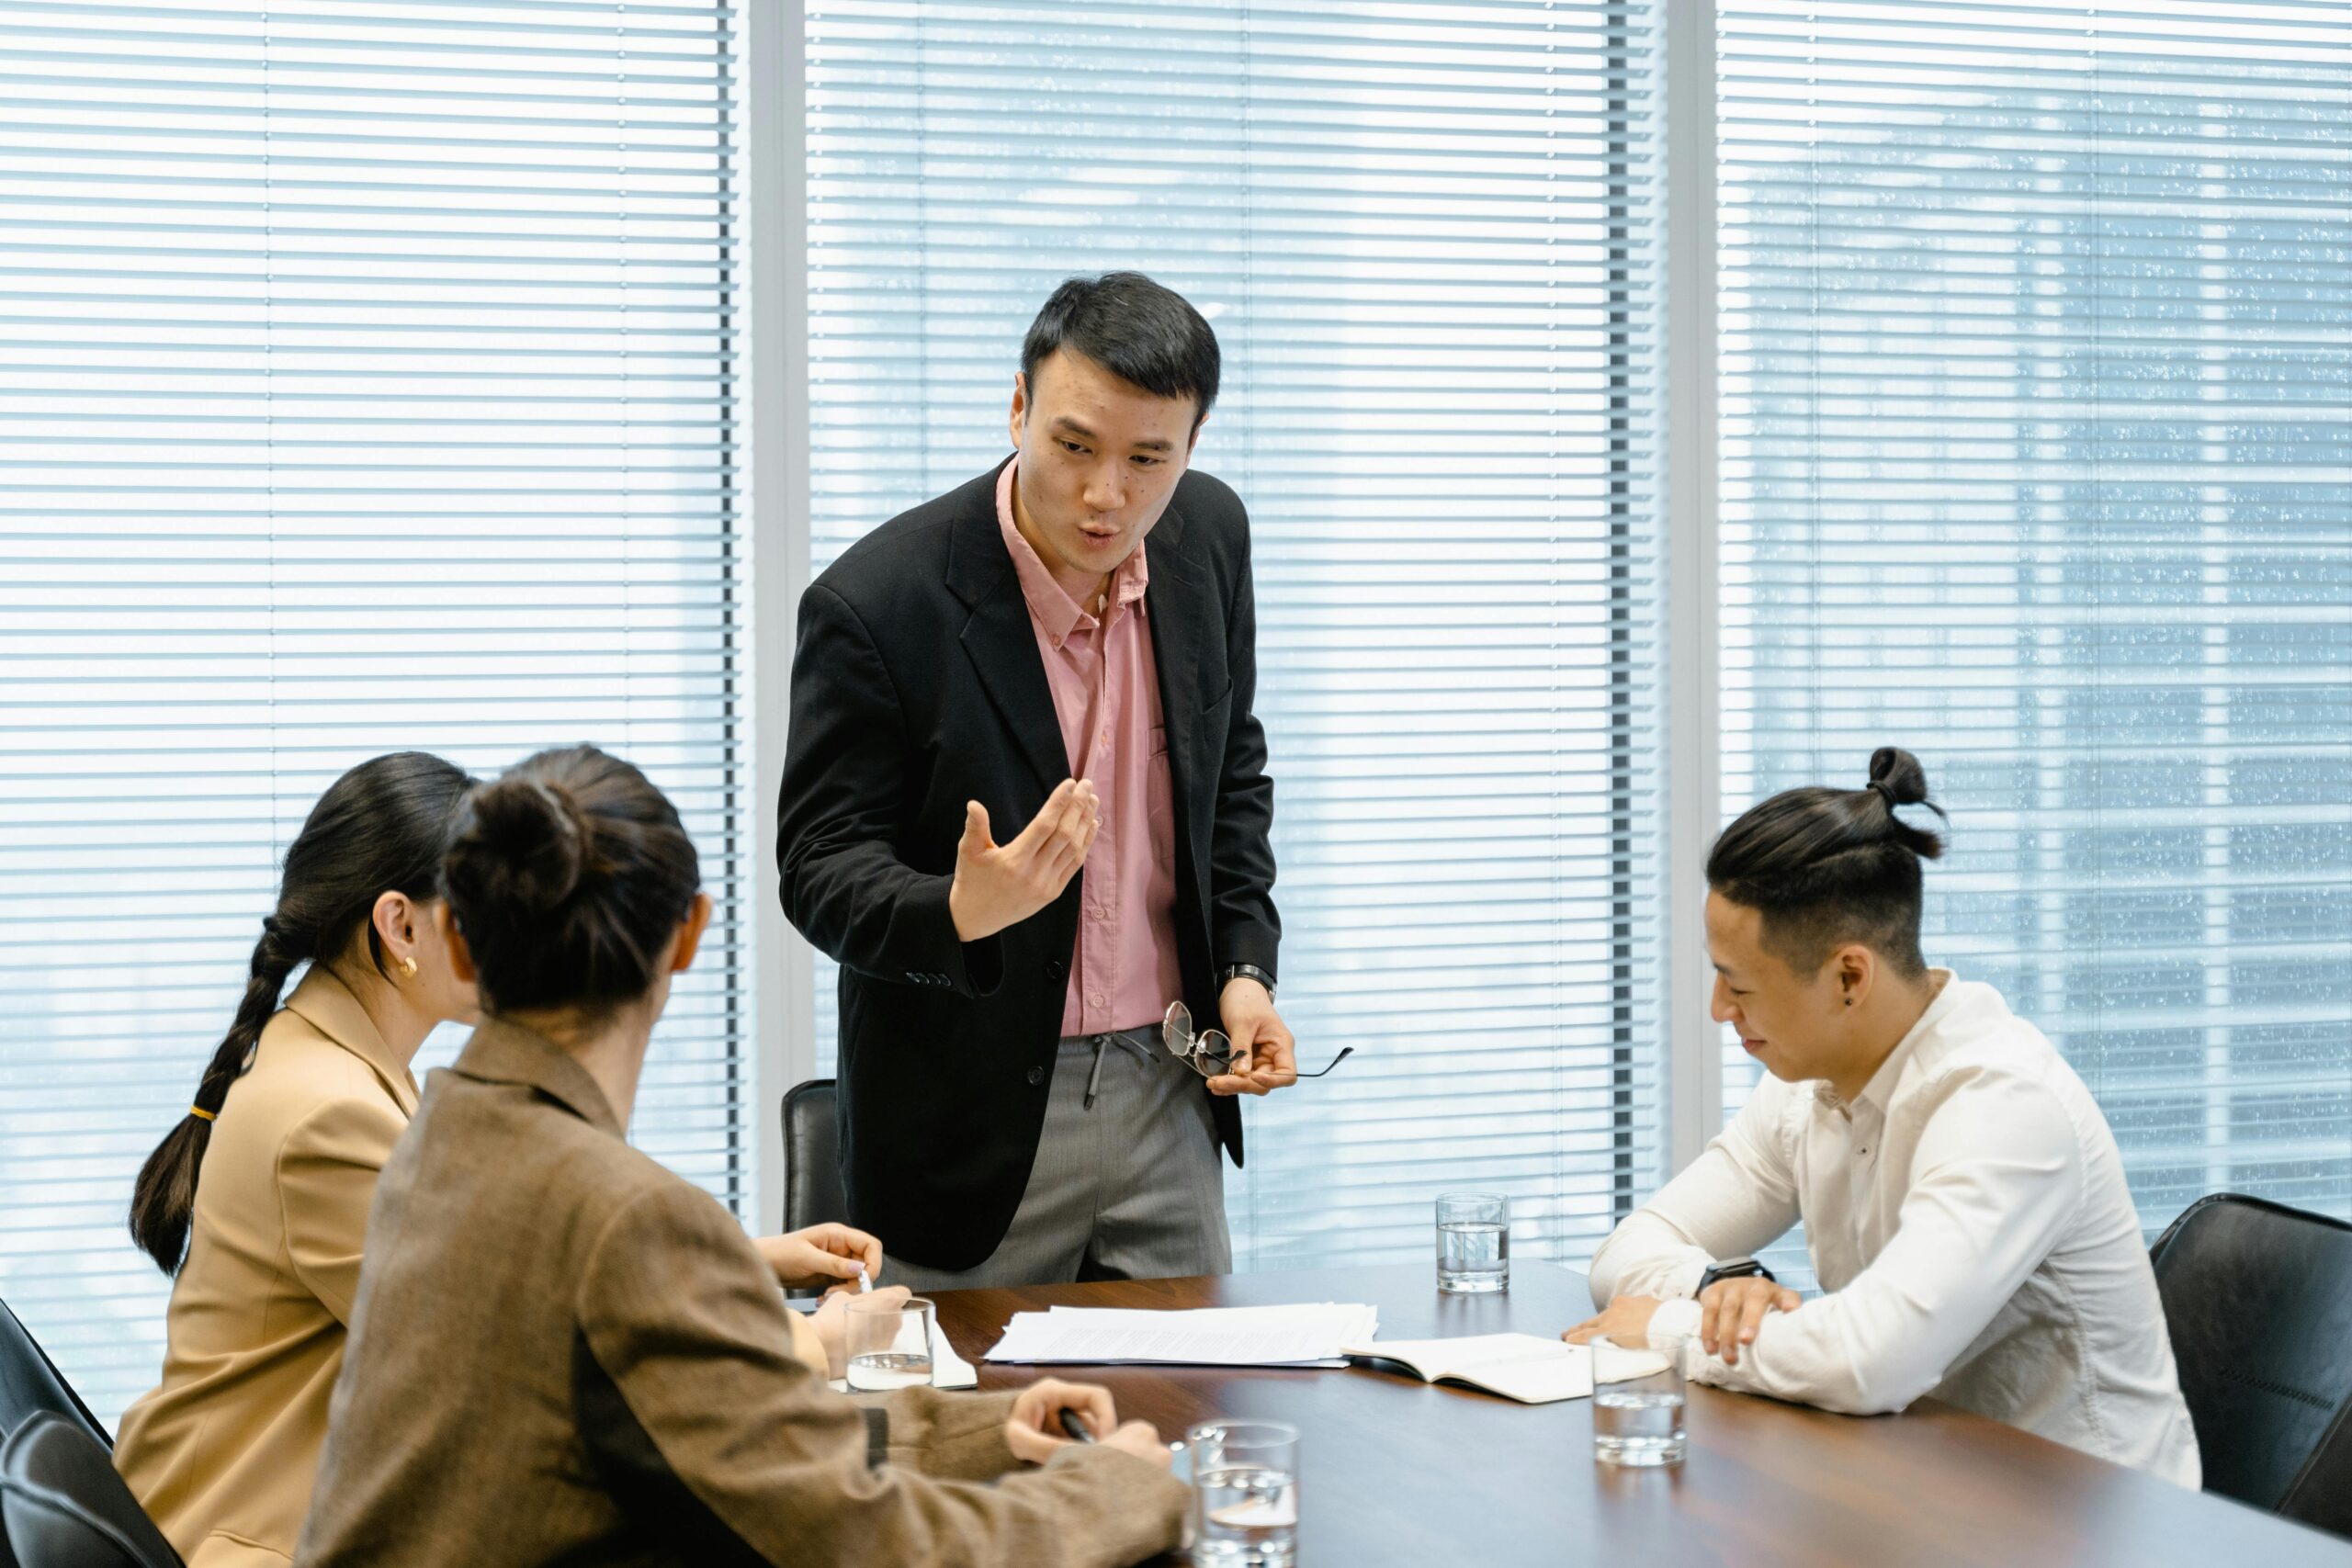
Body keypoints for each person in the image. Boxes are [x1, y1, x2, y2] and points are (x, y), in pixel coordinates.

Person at [297, 746, 1185, 1568]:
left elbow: (731, 1434)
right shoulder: (616, 1213)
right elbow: (871, 1546)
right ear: (689, 934)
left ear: (459, 941)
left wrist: (982, 1434)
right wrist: (1114, 1488)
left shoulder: (443, 1141)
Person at [778, 271, 1311, 1291]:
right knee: (957, 1443)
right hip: (965, 1126)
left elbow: (1229, 774)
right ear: (1017, 407)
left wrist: (1246, 970)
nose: (1107, 495)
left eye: (1147, 458)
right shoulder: (877, 603)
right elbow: (815, 866)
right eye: (1074, 446)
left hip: (1168, 1093)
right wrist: (956, 909)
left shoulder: (1207, 539)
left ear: (1191, 447)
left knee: (1187, 1432)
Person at [1565, 748, 2201, 1486]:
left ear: (1848, 975)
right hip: (1929, 1486)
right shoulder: (1811, 1086)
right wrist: (1720, 1291)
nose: (1718, 1009)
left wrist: (1674, 1328)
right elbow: (1628, 1252)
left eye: (1738, 984)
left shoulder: (2005, 1104)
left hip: (2098, 1529)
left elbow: (1872, 1358)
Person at [114, 752, 480, 1568]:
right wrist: (800, 1345)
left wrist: (736, 1264)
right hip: (256, 1540)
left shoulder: (331, 1058)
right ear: (400, 923)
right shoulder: (328, 1110)